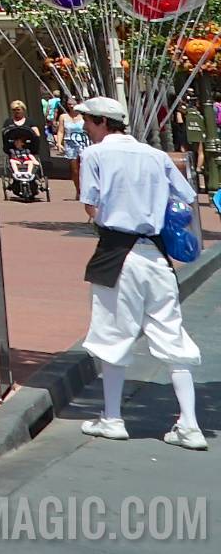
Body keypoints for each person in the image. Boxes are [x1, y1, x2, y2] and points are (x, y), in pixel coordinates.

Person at [73, 97, 206, 450]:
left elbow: (91, 204)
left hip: (117, 254)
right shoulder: (157, 156)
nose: (85, 126)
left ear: (101, 122)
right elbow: (186, 197)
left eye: (87, 120)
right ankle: (190, 425)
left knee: (112, 335)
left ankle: (113, 418)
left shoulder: (94, 155)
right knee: (170, 333)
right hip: (157, 256)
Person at [59, 103, 90, 202]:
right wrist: (59, 143)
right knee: (75, 170)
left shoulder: (84, 116)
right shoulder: (63, 117)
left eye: (73, 104)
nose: (71, 106)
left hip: (83, 143)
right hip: (70, 144)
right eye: (69, 104)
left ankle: (86, 190)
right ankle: (79, 190)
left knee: (84, 168)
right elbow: (60, 131)